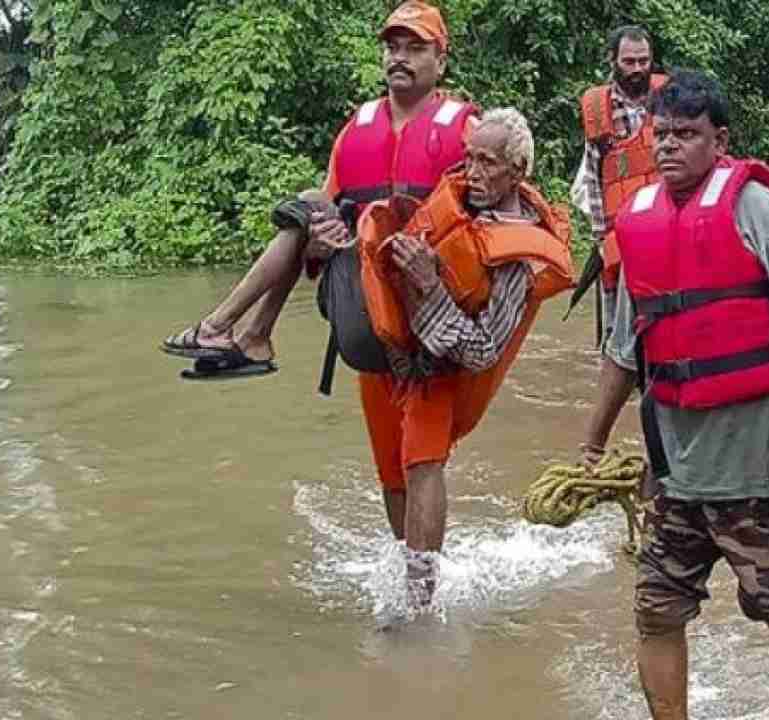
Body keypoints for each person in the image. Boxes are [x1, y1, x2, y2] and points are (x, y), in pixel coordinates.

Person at [580, 70, 769, 716]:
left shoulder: (758, 210)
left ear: (719, 140)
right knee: (655, 612)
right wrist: (590, 442)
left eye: (688, 134)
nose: (670, 147)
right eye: (662, 134)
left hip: (764, 470)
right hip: (677, 476)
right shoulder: (640, 223)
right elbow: (625, 351)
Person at [160, 1, 477, 378]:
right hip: (364, 309)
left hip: (430, 309)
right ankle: (240, 332)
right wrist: (317, 247)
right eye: (392, 48)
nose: (400, 58)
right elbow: (318, 232)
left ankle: (234, 331)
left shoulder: (468, 129)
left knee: (310, 201)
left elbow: (496, 224)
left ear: (441, 61)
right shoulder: (356, 129)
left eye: (416, 48)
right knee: (309, 204)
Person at [359, 108, 573, 608]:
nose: (473, 172)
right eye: (470, 157)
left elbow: (483, 349)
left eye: (489, 162)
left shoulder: (518, 254)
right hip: (397, 358)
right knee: (392, 474)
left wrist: (430, 288)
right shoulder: (455, 194)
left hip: (444, 370)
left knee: (421, 467)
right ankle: (410, 575)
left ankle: (420, 604)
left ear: (518, 171)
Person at [570, 24, 666, 345]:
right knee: (618, 338)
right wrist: (600, 238)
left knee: (669, 326)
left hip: (666, 233)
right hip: (620, 237)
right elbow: (593, 178)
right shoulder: (599, 111)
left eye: (643, 60)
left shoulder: (671, 100)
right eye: (629, 61)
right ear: (613, 61)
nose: (637, 69)